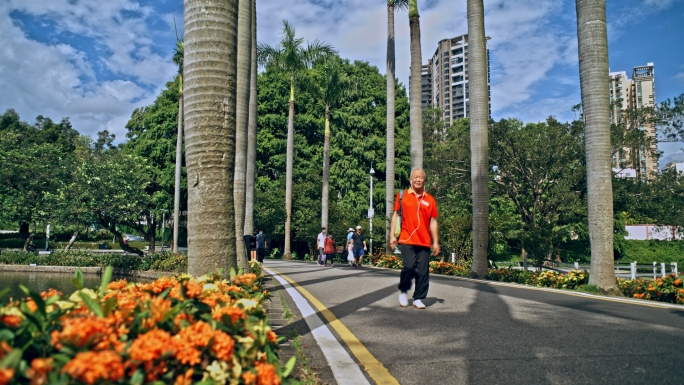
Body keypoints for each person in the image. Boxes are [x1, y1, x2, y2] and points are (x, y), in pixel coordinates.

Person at [390, 168, 440, 310]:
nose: (418, 179)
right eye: (415, 177)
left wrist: (435, 242)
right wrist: (392, 235)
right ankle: (404, 291)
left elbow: (433, 221)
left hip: (424, 241)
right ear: (411, 180)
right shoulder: (403, 196)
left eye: (421, 177)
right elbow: (395, 216)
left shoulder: (429, 200)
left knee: (423, 272)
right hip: (407, 239)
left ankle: (418, 298)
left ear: (424, 180)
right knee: (410, 266)